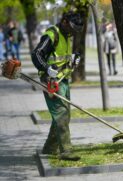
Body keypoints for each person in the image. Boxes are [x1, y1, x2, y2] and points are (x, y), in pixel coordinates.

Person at [31, 10, 83, 161]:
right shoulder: (51, 35)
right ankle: (66, 150)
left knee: (63, 114)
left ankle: (49, 148)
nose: (73, 32)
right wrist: (47, 68)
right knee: (61, 115)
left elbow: (62, 57)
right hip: (50, 81)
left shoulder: (67, 35)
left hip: (63, 79)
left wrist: (74, 59)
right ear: (65, 22)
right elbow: (37, 54)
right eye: (72, 28)